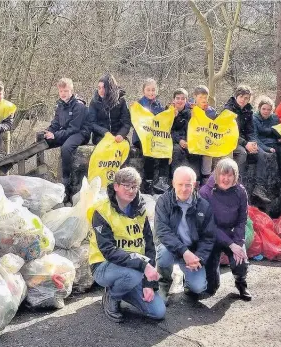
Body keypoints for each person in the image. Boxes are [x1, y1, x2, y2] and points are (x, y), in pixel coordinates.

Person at [89, 167, 166, 322]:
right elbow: (109, 251)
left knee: (158, 312)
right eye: (126, 186)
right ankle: (112, 296)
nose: (131, 190)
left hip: (134, 268)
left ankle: (123, 288)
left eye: (134, 187)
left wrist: (148, 284)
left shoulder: (140, 210)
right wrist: (143, 266)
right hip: (104, 266)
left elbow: (149, 247)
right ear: (116, 186)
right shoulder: (101, 211)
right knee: (133, 274)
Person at [153, 166, 216, 303]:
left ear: (194, 185)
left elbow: (208, 237)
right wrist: (184, 251)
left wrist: (199, 258)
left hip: (192, 251)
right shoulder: (164, 201)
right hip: (170, 248)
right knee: (163, 254)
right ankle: (163, 284)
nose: (184, 189)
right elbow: (162, 231)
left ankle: (188, 283)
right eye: (180, 184)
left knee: (199, 288)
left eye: (188, 185)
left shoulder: (204, 206)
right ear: (173, 183)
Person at [199, 158, 252, 301]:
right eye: (223, 174)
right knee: (211, 288)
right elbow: (208, 225)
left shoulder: (241, 192)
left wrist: (238, 243)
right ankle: (208, 280)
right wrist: (230, 244)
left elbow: (242, 219)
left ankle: (241, 283)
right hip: (212, 235)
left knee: (240, 259)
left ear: (235, 176)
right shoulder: (205, 192)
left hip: (232, 232)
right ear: (216, 174)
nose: (226, 179)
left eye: (230, 175)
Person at [43, 78, 90, 202]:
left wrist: (56, 136)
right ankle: (38, 172)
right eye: (61, 91)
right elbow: (56, 123)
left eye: (66, 91)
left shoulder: (78, 106)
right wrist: (50, 131)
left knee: (66, 148)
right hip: (66, 131)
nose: (63, 93)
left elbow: (74, 128)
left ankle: (66, 183)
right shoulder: (60, 105)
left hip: (80, 133)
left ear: (71, 90)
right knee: (41, 138)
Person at [223, 85, 271, 203]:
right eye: (241, 97)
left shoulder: (248, 110)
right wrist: (245, 144)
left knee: (262, 154)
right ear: (236, 96)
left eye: (246, 98)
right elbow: (228, 131)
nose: (243, 100)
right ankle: (237, 182)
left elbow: (250, 130)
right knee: (243, 153)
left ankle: (259, 187)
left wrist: (252, 142)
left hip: (244, 140)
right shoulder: (228, 109)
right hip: (230, 140)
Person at [132, 78, 170, 194]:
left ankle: (162, 181)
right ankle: (148, 182)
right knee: (149, 152)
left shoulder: (159, 105)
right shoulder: (139, 104)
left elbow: (162, 122)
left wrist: (170, 111)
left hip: (156, 137)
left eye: (153, 90)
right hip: (141, 137)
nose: (151, 92)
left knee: (164, 150)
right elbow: (136, 121)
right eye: (148, 90)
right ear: (144, 91)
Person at [88, 73, 131, 145]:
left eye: (104, 87)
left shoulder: (121, 101)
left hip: (118, 136)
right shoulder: (94, 102)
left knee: (124, 146)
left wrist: (121, 134)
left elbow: (126, 123)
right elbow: (92, 123)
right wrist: (105, 132)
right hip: (100, 136)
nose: (101, 90)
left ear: (110, 88)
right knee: (108, 145)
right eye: (99, 88)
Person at [169, 88, 201, 180]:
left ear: (186, 100)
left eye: (183, 98)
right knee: (177, 150)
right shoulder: (169, 111)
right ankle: (176, 179)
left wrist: (188, 141)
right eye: (178, 98)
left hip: (188, 140)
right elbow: (168, 130)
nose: (180, 101)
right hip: (174, 141)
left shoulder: (190, 112)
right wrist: (179, 140)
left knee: (196, 149)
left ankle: (196, 180)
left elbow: (194, 129)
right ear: (173, 100)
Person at [189, 85, 217, 183]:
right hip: (193, 139)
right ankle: (195, 179)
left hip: (206, 140)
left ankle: (206, 178)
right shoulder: (190, 108)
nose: (203, 100)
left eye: (205, 97)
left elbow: (215, 126)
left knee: (208, 152)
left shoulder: (211, 111)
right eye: (200, 97)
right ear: (195, 97)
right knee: (194, 153)